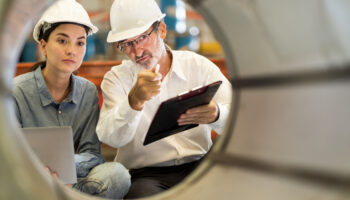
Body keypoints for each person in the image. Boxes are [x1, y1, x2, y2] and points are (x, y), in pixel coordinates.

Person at [96, 0, 232, 198]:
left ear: (161, 29)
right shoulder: (117, 79)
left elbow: (241, 121)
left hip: (200, 165)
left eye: (142, 38)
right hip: (146, 176)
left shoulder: (198, 66)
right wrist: (133, 102)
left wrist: (217, 114)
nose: (137, 52)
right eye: (126, 44)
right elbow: (111, 137)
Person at [12, 0, 130, 198]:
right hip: (28, 183)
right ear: (43, 45)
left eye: (80, 42)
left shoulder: (88, 92)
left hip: (72, 182)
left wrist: (64, 169)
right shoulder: (17, 92)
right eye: (62, 40)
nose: (72, 50)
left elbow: (92, 154)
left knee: (117, 175)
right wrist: (41, 172)